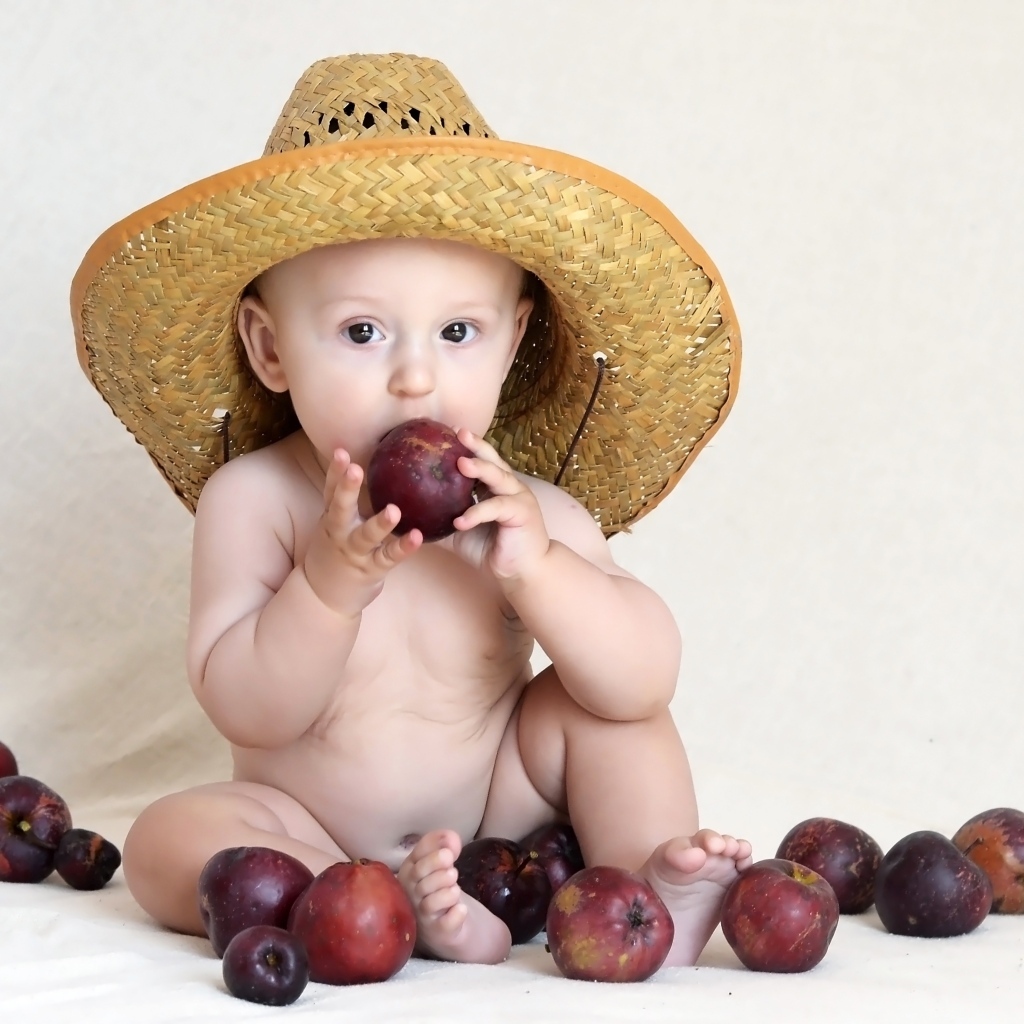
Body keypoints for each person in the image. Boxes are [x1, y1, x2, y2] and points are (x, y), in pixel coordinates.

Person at [72, 53, 750, 969]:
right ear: (271, 350)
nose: (415, 374)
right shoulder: (259, 502)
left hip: (497, 816)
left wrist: (541, 571)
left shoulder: (525, 515)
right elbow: (246, 707)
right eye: (361, 332)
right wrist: (328, 583)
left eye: (458, 332)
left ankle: (637, 890)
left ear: (513, 344)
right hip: (308, 826)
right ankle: (368, 904)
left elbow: (643, 678)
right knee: (166, 841)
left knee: (603, 715)